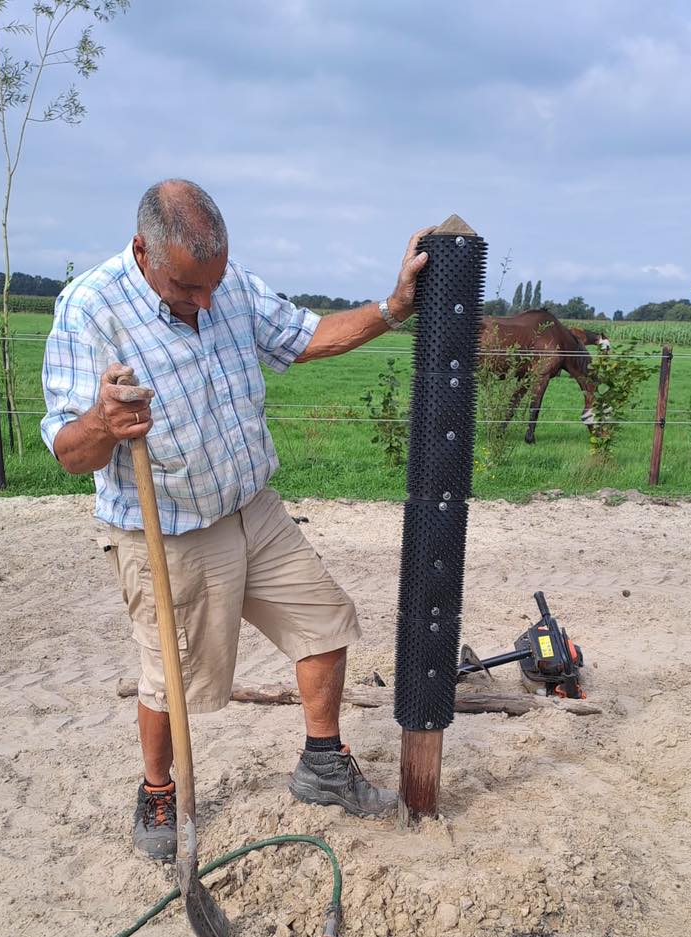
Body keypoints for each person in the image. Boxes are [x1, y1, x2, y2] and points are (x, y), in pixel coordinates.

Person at [42, 180, 428, 860]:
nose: (207, 302)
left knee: (325, 621)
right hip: (169, 526)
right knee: (172, 676)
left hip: (252, 505)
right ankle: (158, 791)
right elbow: (69, 453)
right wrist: (102, 423)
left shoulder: (228, 285)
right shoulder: (91, 309)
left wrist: (395, 307)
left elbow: (305, 336)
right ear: (142, 250)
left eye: (215, 282)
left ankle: (322, 765)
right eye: (189, 288)